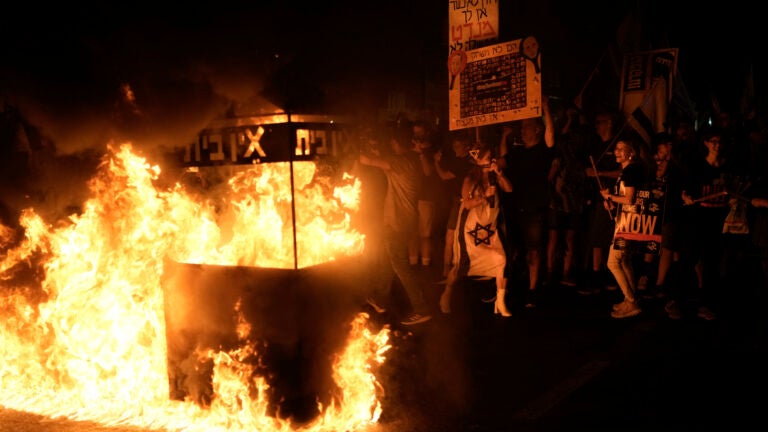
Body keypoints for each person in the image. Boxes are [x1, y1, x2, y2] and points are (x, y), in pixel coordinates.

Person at [359, 126, 432, 326]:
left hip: (398, 222)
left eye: (392, 142)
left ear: (398, 144)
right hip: (404, 220)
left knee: (401, 266)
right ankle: (381, 299)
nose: (390, 145)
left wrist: (359, 148)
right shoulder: (412, 161)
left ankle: (422, 308)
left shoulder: (398, 161)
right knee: (390, 259)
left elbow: (366, 161)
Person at [438, 141, 514, 317]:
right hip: (471, 229)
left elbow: (509, 189)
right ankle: (446, 294)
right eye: (487, 158)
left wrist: (499, 174)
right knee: (460, 267)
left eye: (491, 157)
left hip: (490, 228)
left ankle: (500, 302)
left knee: (501, 259)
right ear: (478, 161)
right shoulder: (471, 179)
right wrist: (483, 198)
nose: (491, 160)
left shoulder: (495, 176)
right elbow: (466, 204)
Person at [499, 96, 555, 308]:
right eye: (522, 127)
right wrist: (503, 137)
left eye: (527, 127)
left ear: (537, 130)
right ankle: (509, 285)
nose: (523, 130)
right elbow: (502, 160)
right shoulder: (518, 152)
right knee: (512, 249)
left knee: (534, 250)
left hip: (534, 209)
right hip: (514, 208)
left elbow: (551, 137)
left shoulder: (543, 150)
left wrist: (546, 109)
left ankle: (532, 289)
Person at [600, 132, 649, 319]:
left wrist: (610, 197)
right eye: (616, 148)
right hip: (627, 221)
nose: (617, 152)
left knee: (612, 262)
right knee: (624, 260)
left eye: (622, 149)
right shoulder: (630, 171)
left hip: (628, 224)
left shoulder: (631, 171)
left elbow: (629, 199)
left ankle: (631, 300)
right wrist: (612, 203)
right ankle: (631, 299)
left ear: (631, 153)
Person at [434, 131, 474, 278]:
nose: (455, 149)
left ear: (465, 147)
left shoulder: (463, 163)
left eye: (458, 146)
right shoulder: (462, 162)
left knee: (451, 236)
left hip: (461, 203)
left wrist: (436, 163)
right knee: (454, 236)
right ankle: (451, 269)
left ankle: (449, 269)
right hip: (457, 202)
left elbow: (444, 176)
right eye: (454, 146)